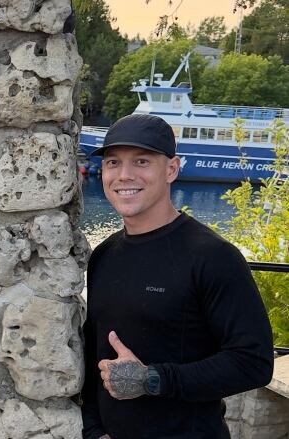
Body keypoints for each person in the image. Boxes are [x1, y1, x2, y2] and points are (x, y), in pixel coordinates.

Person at [81, 114, 274, 438]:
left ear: (172, 169)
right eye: (113, 162)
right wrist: (94, 430)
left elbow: (253, 362)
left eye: (141, 161)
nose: (124, 175)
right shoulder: (103, 255)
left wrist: (152, 379)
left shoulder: (213, 256)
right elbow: (93, 356)